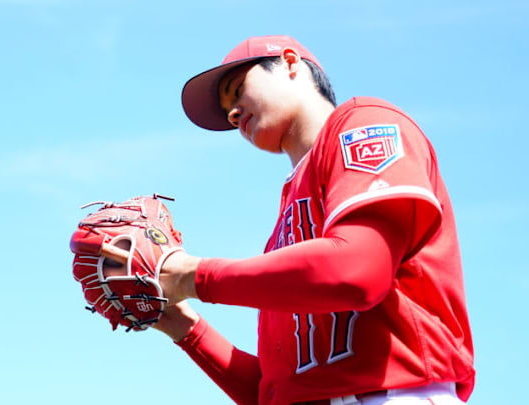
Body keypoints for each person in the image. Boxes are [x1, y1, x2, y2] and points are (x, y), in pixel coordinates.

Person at [153, 35, 475, 405]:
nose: (233, 113)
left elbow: (357, 271)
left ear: (291, 64)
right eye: (228, 109)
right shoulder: (281, 237)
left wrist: (192, 276)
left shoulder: (364, 122)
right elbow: (276, 392)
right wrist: (182, 326)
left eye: (238, 89)